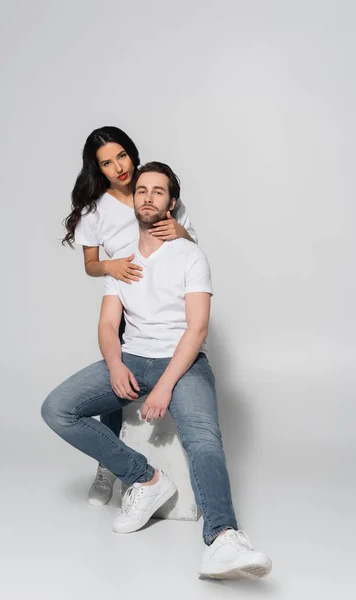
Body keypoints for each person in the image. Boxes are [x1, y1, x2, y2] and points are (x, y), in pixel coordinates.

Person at [42, 161, 272, 579]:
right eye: (141, 190)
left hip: (182, 364)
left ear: (172, 202)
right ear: (134, 199)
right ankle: (145, 479)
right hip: (131, 359)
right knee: (56, 408)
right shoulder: (120, 259)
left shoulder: (189, 254)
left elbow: (197, 328)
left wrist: (165, 385)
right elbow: (108, 324)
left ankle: (223, 538)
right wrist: (114, 364)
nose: (147, 197)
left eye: (158, 191)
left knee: (204, 436)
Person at [63, 126, 198, 505]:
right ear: (98, 168)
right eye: (107, 163)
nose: (118, 167)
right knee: (115, 383)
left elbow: (193, 247)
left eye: (121, 156)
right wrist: (112, 267)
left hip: (170, 299)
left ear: (131, 152)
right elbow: (90, 264)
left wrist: (181, 231)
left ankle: (188, 459)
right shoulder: (94, 209)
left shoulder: (153, 187)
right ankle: (110, 466)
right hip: (126, 301)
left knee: (181, 366)